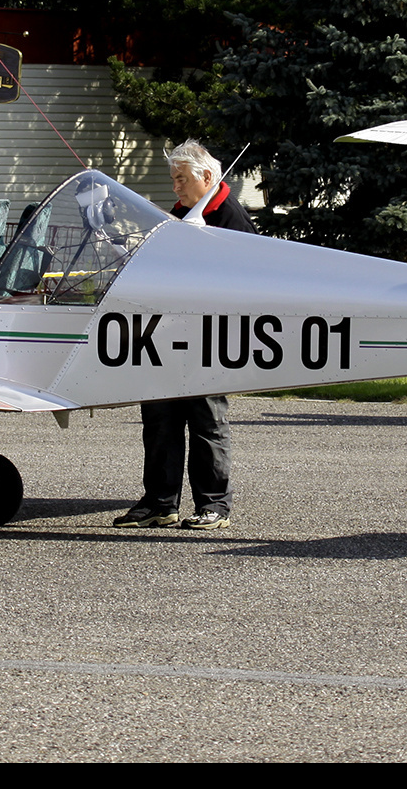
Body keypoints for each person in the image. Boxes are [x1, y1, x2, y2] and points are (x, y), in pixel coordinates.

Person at [114, 140, 257, 531]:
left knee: (206, 419)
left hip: (209, 337)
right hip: (167, 335)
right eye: (173, 179)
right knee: (159, 419)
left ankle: (214, 505)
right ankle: (161, 503)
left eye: (181, 179)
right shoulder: (182, 213)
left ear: (206, 177)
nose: (175, 187)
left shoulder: (231, 218)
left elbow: (249, 281)